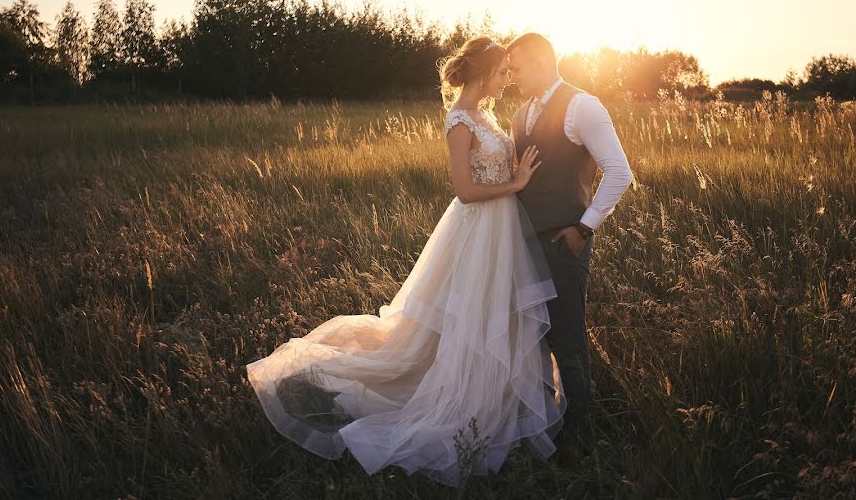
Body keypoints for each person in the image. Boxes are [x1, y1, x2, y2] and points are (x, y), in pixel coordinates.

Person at [246, 36, 567, 487]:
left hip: (502, 231)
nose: (506, 79)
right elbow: (465, 191)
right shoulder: (458, 121)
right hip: (478, 228)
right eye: (500, 73)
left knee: (497, 315)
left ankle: (500, 397)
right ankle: (453, 400)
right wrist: (515, 185)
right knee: (466, 319)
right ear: (481, 74)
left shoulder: (489, 116)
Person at [506, 32, 633, 458]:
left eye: (518, 67)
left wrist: (584, 229)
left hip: (565, 244)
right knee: (531, 338)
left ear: (543, 61)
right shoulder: (520, 112)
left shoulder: (583, 106)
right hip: (522, 244)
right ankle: (543, 426)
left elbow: (619, 172)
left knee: (568, 338)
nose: (512, 76)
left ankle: (579, 435)